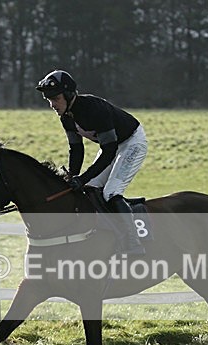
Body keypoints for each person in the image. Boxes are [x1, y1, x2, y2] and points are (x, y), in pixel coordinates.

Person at [35, 69, 147, 255]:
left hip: (132, 142)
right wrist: (72, 177)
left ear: (69, 95)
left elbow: (109, 152)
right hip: (113, 146)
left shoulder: (94, 110)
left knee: (111, 192)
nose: (52, 105)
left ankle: (133, 242)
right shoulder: (66, 117)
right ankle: (106, 236)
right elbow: (76, 150)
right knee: (90, 189)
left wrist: (82, 178)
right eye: (49, 100)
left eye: (55, 99)